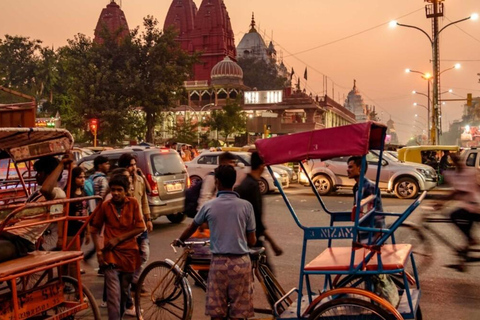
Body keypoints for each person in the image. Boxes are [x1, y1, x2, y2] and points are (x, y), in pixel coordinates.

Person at [173, 165, 256, 320]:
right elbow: (252, 240)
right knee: (239, 314)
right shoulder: (246, 206)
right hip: (241, 264)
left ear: (217, 182)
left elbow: (192, 227)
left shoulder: (208, 206)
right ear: (233, 182)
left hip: (219, 265)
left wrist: (180, 240)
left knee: (217, 313)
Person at [90, 174, 146, 320]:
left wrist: (119, 238)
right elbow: (94, 228)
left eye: (119, 190)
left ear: (126, 191)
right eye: (113, 190)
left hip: (129, 255)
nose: (115, 193)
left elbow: (141, 227)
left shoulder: (133, 203)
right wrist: (99, 252)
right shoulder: (105, 206)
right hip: (110, 255)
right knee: (113, 296)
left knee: (124, 293)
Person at [0, 154, 71, 262]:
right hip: (9, 233)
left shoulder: (58, 193)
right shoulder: (37, 193)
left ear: (49, 174)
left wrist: (61, 164)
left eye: (39, 173)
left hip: (20, 241)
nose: (36, 176)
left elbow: (46, 189)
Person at [118, 153, 152, 316]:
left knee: (144, 253)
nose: (134, 167)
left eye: (134, 164)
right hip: (128, 228)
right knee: (126, 264)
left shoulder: (138, 179)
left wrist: (148, 218)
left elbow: (145, 196)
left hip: (140, 225)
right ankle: (125, 300)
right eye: (131, 165)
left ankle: (135, 279)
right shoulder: (121, 184)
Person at [235, 152, 283, 268]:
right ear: (261, 166)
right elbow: (256, 217)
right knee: (266, 273)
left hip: (245, 236)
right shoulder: (252, 186)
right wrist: (272, 243)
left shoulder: (248, 183)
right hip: (251, 238)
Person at [441, 154, 480, 263]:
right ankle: (464, 259)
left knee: (454, 215)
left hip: (475, 206)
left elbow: (459, 191)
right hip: (470, 206)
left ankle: (470, 241)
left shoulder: (469, 173)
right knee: (465, 226)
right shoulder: (457, 174)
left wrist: (441, 202)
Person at [347, 156, 384, 243]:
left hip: (371, 232)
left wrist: (378, 234)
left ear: (360, 168)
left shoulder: (369, 186)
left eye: (351, 167)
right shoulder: (357, 187)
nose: (347, 170)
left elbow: (374, 213)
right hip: (363, 231)